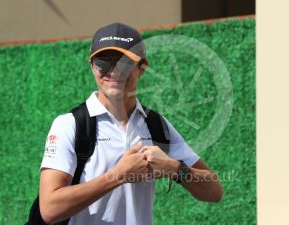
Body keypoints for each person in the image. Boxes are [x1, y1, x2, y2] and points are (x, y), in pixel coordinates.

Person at [39, 22, 224, 225]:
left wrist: (174, 168)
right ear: (92, 66)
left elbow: (214, 191)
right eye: (103, 62)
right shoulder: (70, 125)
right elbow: (50, 208)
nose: (113, 71)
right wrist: (119, 175)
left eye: (125, 62)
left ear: (142, 68)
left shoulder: (156, 124)